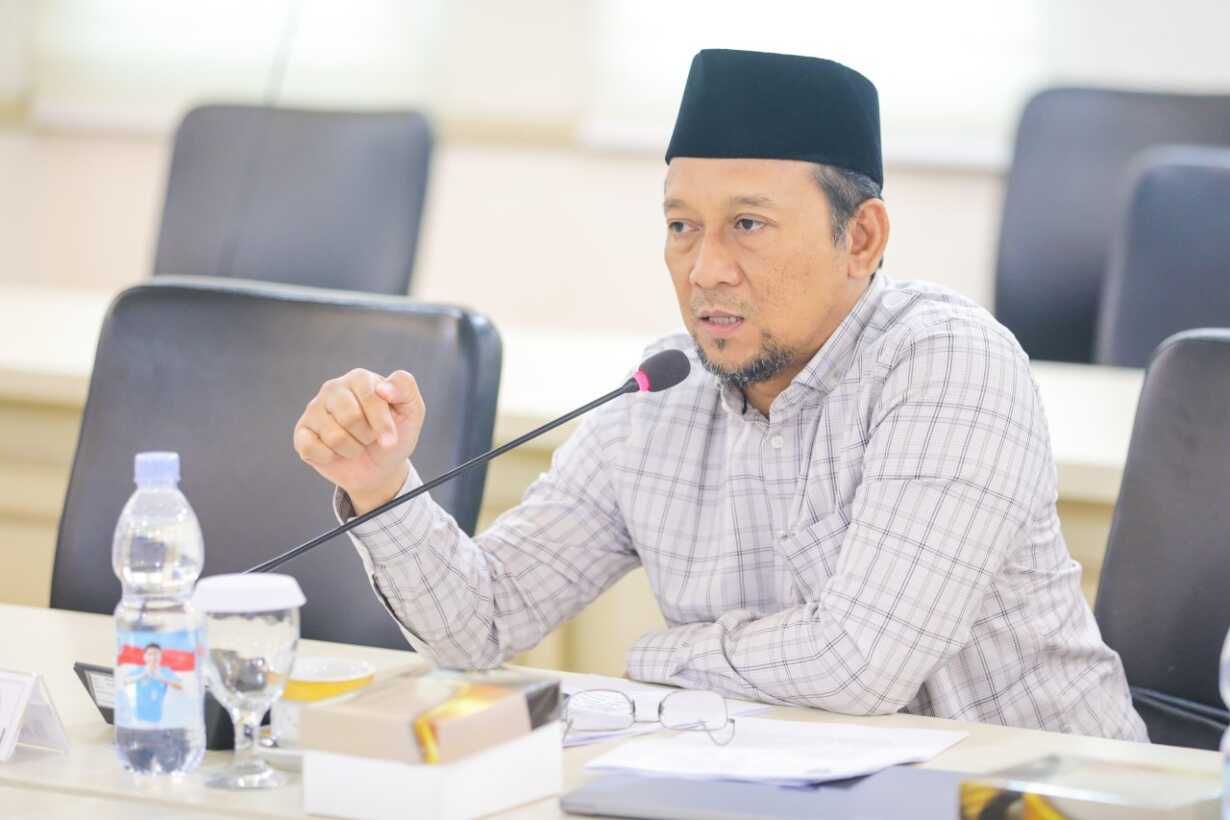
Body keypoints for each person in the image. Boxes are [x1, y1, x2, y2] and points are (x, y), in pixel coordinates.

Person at [292, 49, 1146, 740]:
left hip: (1043, 796)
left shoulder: (947, 363)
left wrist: (663, 657)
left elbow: (859, 665)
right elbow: (479, 622)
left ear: (862, 238)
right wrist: (380, 484)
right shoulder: (661, 392)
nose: (704, 270)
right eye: (681, 226)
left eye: (747, 225)